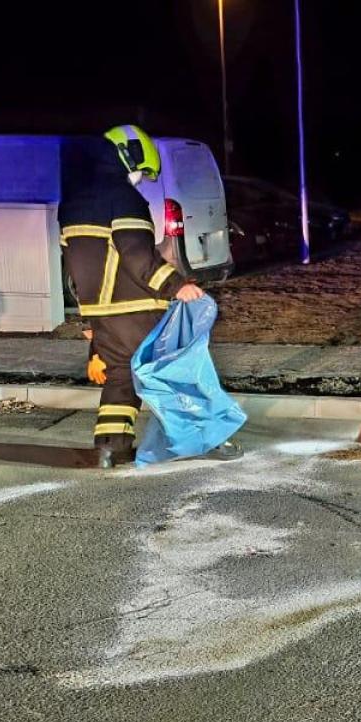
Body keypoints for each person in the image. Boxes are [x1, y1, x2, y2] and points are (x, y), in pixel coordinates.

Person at [59, 125, 206, 467]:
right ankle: (203, 435)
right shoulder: (124, 198)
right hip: (138, 309)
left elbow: (74, 272)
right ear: (129, 156)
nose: (141, 180)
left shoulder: (73, 202)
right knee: (167, 369)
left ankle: (111, 448)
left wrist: (89, 322)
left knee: (120, 378)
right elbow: (138, 254)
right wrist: (176, 285)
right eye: (142, 172)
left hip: (102, 315)